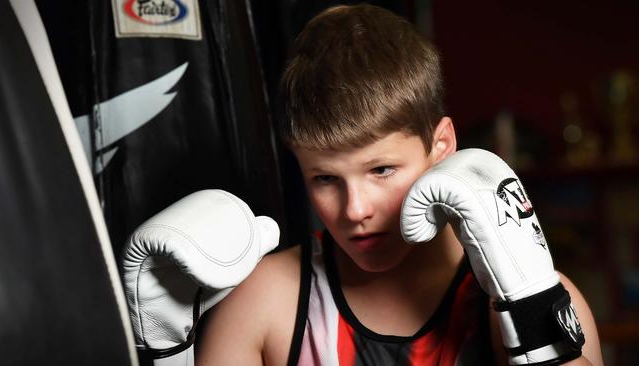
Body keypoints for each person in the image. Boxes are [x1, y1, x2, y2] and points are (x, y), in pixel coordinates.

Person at [196, 4, 603, 365]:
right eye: (325, 178)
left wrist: (531, 309)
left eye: (381, 170)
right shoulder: (264, 302)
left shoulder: (533, 300)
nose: (355, 210)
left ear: (441, 146)